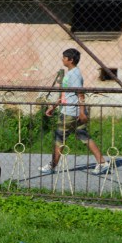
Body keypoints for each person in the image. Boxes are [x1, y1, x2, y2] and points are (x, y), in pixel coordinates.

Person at [42, 48, 109, 176]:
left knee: (59, 138)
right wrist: (54, 106)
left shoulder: (75, 75)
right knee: (84, 136)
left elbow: (80, 94)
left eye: (64, 57)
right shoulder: (70, 73)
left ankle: (52, 166)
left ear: (70, 60)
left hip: (70, 112)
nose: (62, 59)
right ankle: (102, 163)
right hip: (71, 111)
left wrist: (82, 112)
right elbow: (66, 94)